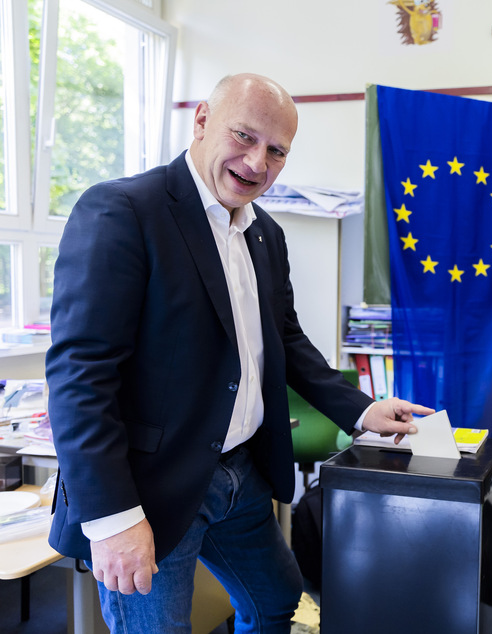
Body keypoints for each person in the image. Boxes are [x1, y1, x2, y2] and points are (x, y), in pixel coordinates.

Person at [45, 73, 434, 632]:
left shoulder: (264, 234)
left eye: (277, 151)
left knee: (278, 599)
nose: (258, 162)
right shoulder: (124, 210)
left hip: (238, 473)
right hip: (148, 489)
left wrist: (359, 409)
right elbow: (80, 375)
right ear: (202, 120)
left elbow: (287, 340)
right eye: (245, 136)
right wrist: (112, 519)